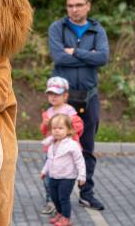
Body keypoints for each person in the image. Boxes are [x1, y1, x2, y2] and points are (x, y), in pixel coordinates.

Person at [48, 0, 109, 210]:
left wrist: (74, 52)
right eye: (70, 5)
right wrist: (87, 55)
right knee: (56, 147)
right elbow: (58, 57)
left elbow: (102, 58)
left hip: (88, 98)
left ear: (88, 5)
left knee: (87, 148)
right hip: (61, 100)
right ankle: (52, 196)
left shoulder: (97, 29)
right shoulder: (58, 28)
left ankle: (86, 193)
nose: (74, 9)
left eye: (78, 5)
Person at [40, 76, 84, 215]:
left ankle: (61, 202)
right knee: (48, 179)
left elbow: (78, 127)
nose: (53, 97)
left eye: (57, 94)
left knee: (62, 179)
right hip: (52, 151)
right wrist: (45, 125)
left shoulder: (70, 111)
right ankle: (50, 201)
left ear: (65, 95)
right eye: (50, 94)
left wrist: (66, 126)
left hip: (65, 153)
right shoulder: (48, 112)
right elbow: (44, 131)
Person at [40, 114, 86, 226]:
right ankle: (60, 214)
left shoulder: (72, 145)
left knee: (63, 198)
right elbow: (50, 159)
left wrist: (82, 176)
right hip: (54, 176)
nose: (57, 131)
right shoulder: (52, 144)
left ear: (69, 130)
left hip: (67, 177)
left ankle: (66, 218)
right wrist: (44, 171)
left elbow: (80, 161)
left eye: (60, 128)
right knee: (54, 197)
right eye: (54, 128)